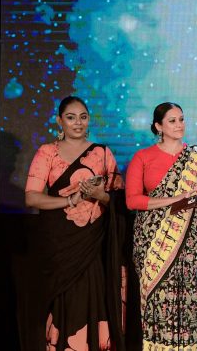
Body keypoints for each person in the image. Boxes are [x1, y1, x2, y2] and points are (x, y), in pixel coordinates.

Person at [23, 96, 126, 351]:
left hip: (93, 243)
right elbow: (32, 197)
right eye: (71, 117)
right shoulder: (47, 152)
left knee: (93, 296)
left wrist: (99, 195)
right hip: (59, 243)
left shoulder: (102, 153)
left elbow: (119, 199)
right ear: (60, 121)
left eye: (83, 117)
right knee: (64, 301)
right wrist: (70, 200)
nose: (78, 123)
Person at [125, 102, 197, 350]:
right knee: (157, 304)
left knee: (191, 306)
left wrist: (192, 201)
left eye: (181, 119)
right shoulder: (143, 157)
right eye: (172, 121)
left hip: (192, 242)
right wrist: (174, 200)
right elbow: (132, 201)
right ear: (158, 126)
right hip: (154, 244)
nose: (179, 125)